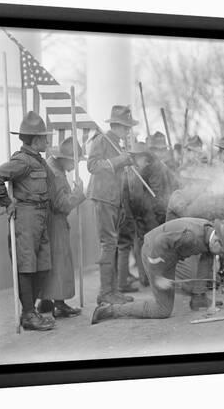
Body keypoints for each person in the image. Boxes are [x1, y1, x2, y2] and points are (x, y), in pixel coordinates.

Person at [91, 218, 224, 323]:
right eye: (223, 251)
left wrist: (199, 290)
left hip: (169, 254)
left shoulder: (209, 231)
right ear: (216, 240)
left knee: (209, 254)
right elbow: (159, 243)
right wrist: (157, 276)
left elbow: (209, 252)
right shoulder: (190, 236)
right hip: (154, 253)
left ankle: (198, 297)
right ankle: (109, 310)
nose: (222, 255)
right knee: (162, 310)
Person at [0, 111, 55, 331]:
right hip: (25, 217)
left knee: (43, 266)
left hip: (40, 216)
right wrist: (6, 202)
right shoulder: (22, 161)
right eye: (44, 137)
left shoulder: (37, 160)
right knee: (27, 266)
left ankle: (31, 310)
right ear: (35, 140)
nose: (47, 140)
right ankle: (28, 315)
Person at [87, 105, 137, 305]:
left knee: (113, 244)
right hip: (103, 198)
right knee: (108, 244)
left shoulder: (118, 143)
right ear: (116, 126)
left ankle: (113, 291)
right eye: (126, 128)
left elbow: (121, 178)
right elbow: (92, 166)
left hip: (114, 200)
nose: (128, 131)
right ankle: (105, 293)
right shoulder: (102, 140)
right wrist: (118, 161)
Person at [37, 137, 86, 318]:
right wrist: (78, 194)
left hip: (45, 221)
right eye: (75, 161)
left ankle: (46, 300)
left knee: (49, 261)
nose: (75, 165)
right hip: (55, 222)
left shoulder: (52, 166)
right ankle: (60, 304)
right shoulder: (57, 174)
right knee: (60, 262)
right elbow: (62, 205)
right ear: (65, 158)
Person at [117, 142, 158, 292]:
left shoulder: (133, 171)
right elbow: (134, 197)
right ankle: (137, 279)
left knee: (137, 245)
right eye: (143, 158)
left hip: (131, 214)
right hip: (129, 215)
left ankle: (143, 277)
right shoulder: (132, 173)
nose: (145, 162)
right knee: (130, 246)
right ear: (137, 157)